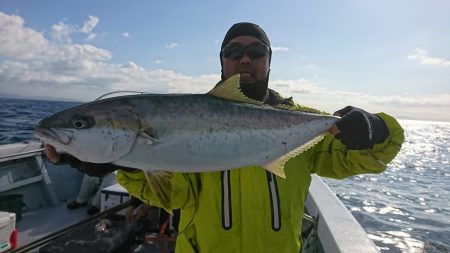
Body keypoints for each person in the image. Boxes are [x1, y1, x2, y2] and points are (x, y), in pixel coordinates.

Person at [44, 22, 404, 253]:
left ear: (268, 61)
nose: (244, 59)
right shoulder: (187, 119)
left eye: (255, 52)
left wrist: (379, 130)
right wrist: (125, 165)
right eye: (233, 52)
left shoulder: (306, 120)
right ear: (222, 63)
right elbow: (175, 196)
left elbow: (362, 159)